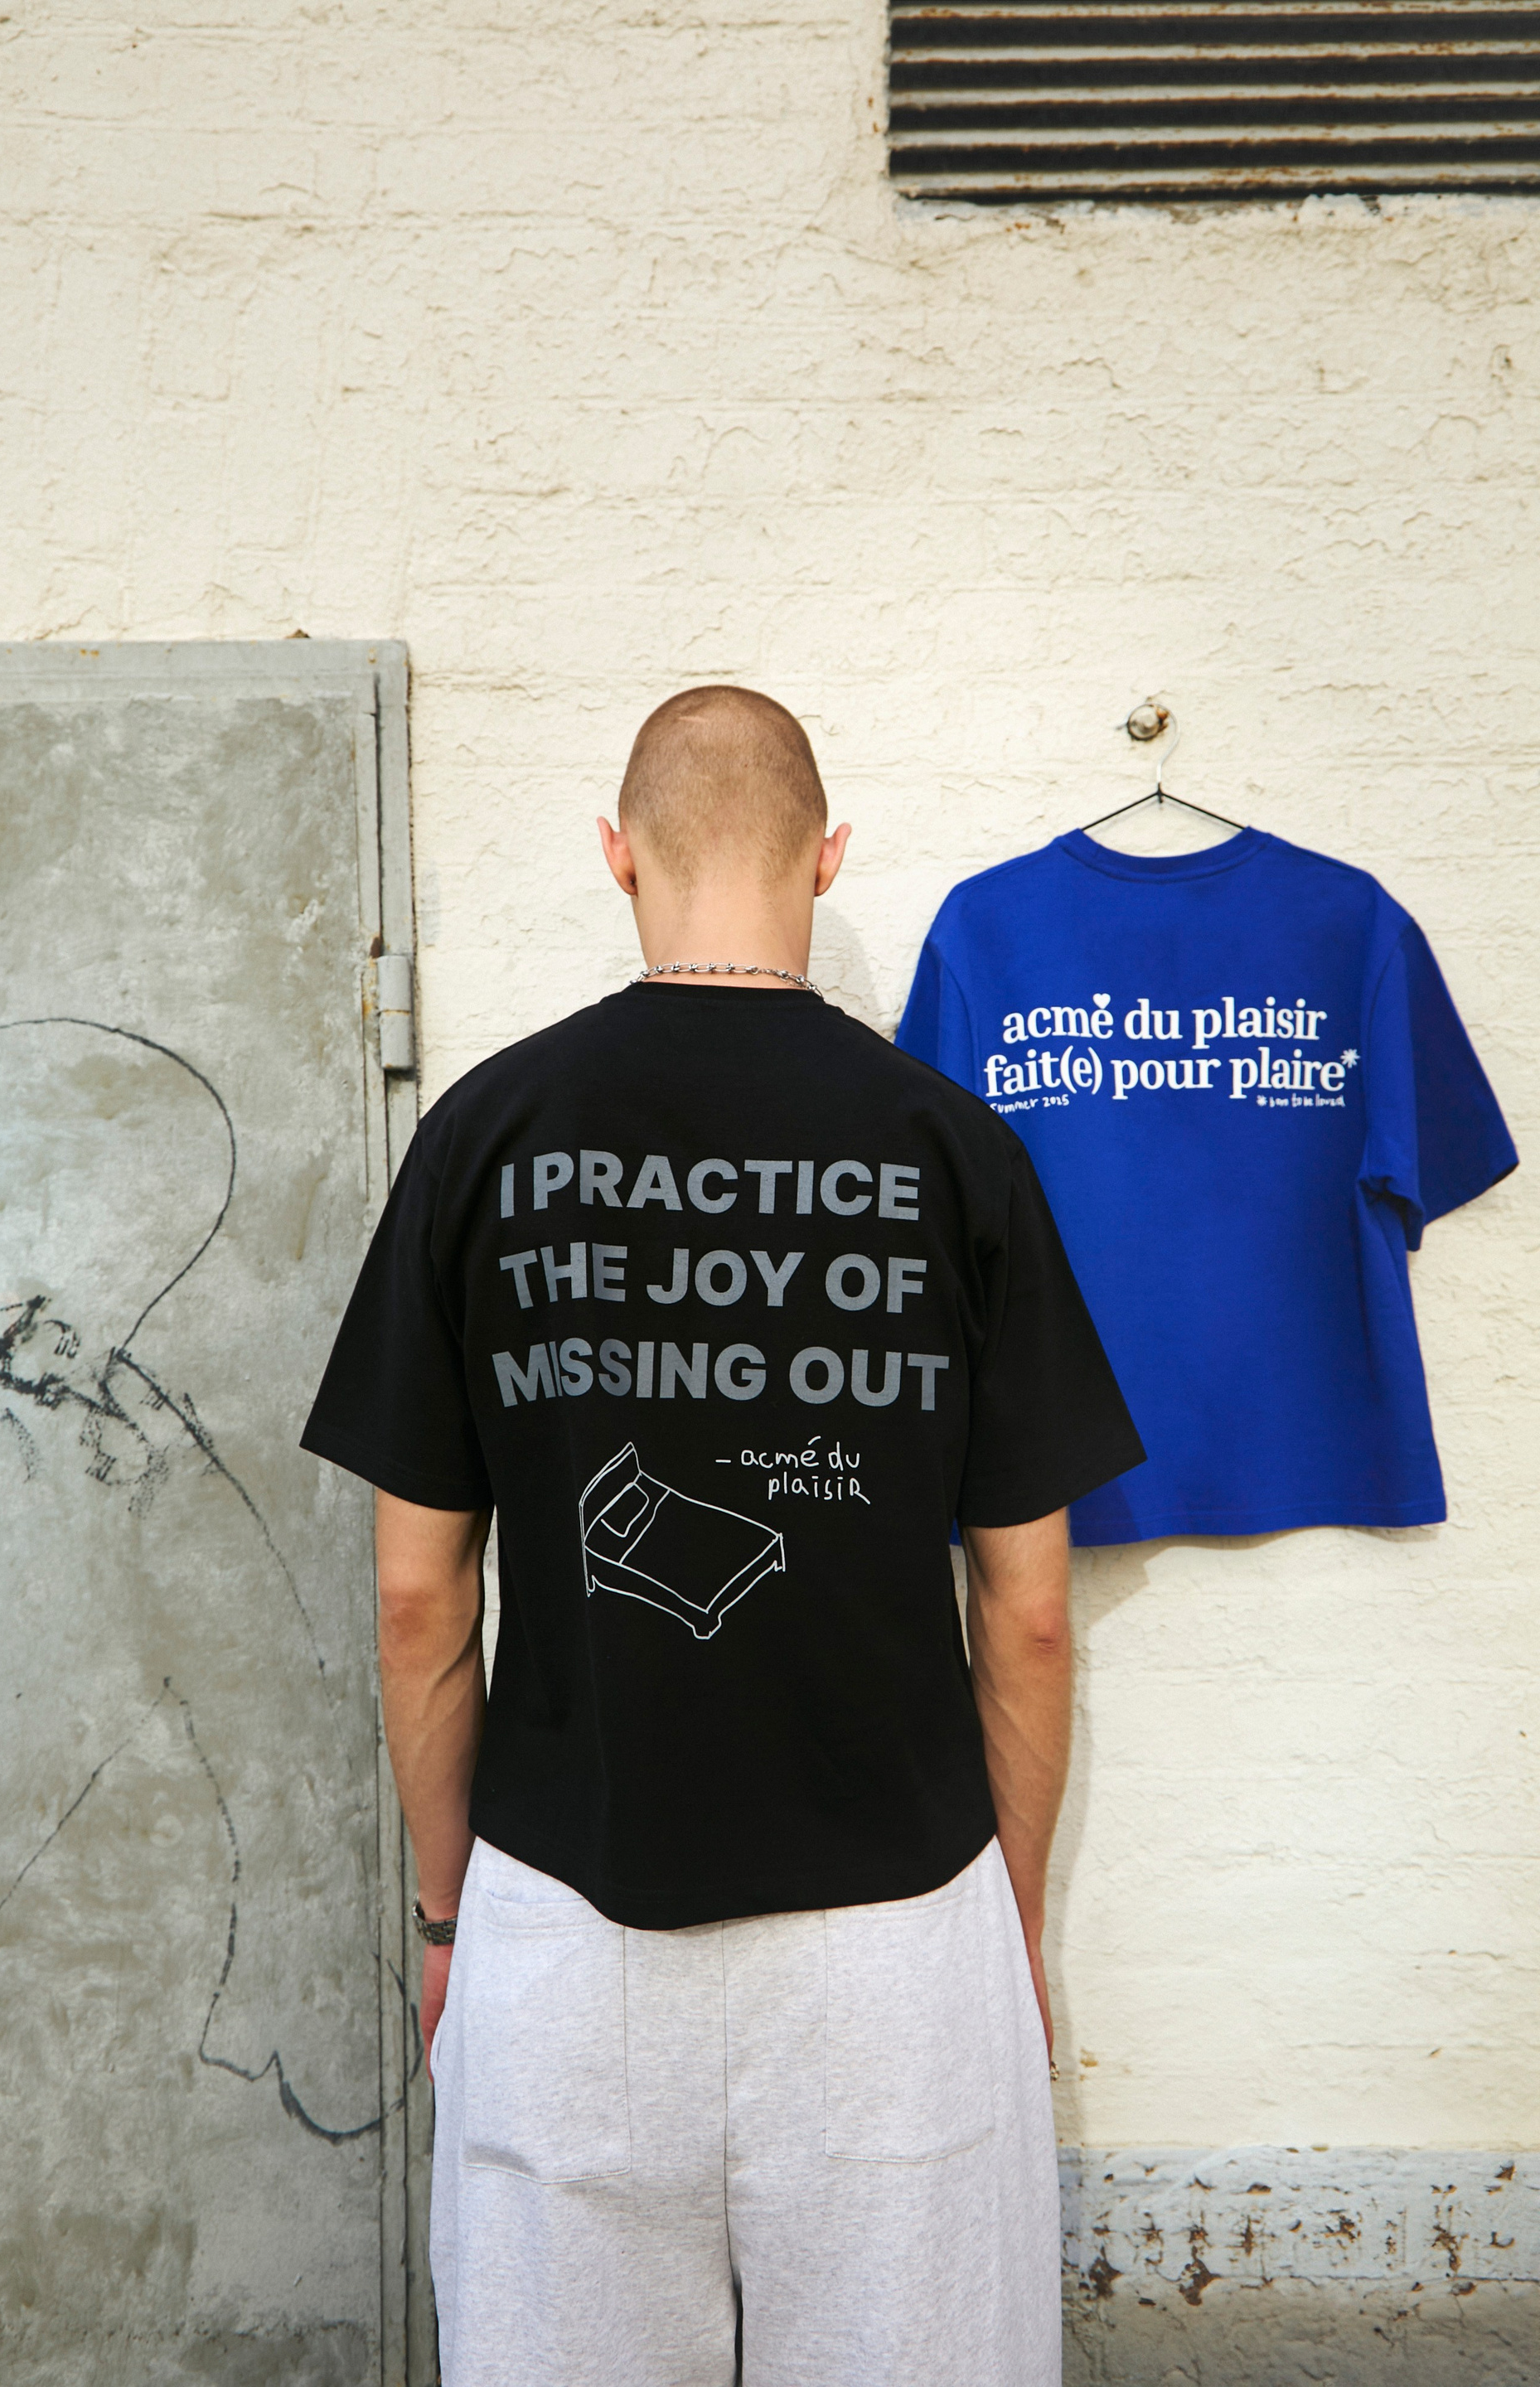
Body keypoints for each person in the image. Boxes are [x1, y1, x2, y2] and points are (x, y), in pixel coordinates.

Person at [301, 685, 1144, 2387]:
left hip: (570, 1930)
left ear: (618, 856)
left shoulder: (482, 1137)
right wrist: (1005, 1932)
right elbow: (1031, 1617)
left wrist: (453, 1923)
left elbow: (416, 1602)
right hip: (894, 1943)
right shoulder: (955, 1152)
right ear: (828, 860)